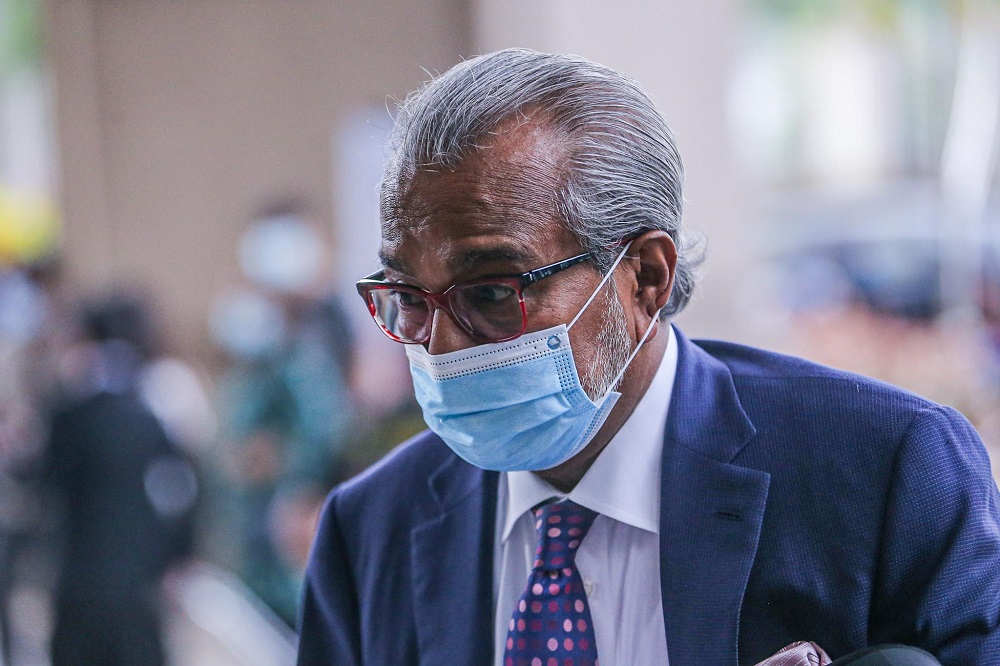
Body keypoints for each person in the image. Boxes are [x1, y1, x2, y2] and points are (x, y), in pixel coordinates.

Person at [297, 49, 1000, 665]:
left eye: (490, 292)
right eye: (409, 299)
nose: (442, 348)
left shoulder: (885, 475)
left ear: (645, 278)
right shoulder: (370, 534)